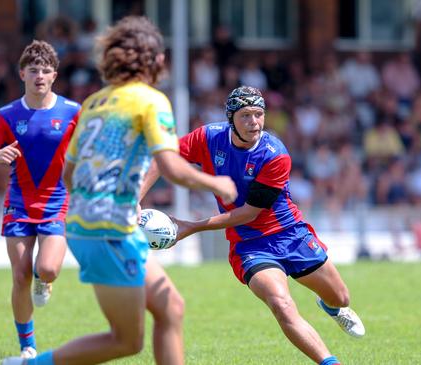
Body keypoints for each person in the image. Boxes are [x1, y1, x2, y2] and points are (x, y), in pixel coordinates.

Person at [2, 16, 237, 365]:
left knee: (171, 308)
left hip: (84, 225)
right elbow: (171, 166)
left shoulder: (96, 102)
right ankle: (30, 364)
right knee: (126, 340)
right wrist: (216, 182)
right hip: (108, 230)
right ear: (153, 60)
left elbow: (69, 173)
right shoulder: (151, 100)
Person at [141, 85, 365, 365]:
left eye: (259, 114)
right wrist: (135, 200)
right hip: (250, 246)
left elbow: (249, 213)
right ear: (230, 118)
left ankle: (331, 308)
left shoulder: (275, 154)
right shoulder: (209, 138)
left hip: (290, 234)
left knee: (341, 297)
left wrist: (190, 226)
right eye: (245, 115)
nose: (254, 122)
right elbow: (164, 158)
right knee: (281, 304)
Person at [0, 40, 80, 359]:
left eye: (46, 71)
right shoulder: (6, 115)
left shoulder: (74, 112)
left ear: (54, 76)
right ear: (22, 74)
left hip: (57, 201)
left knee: (47, 269)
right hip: (18, 203)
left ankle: (43, 280)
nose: (39, 76)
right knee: (19, 275)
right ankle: (27, 346)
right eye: (33, 70)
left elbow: (88, 152)